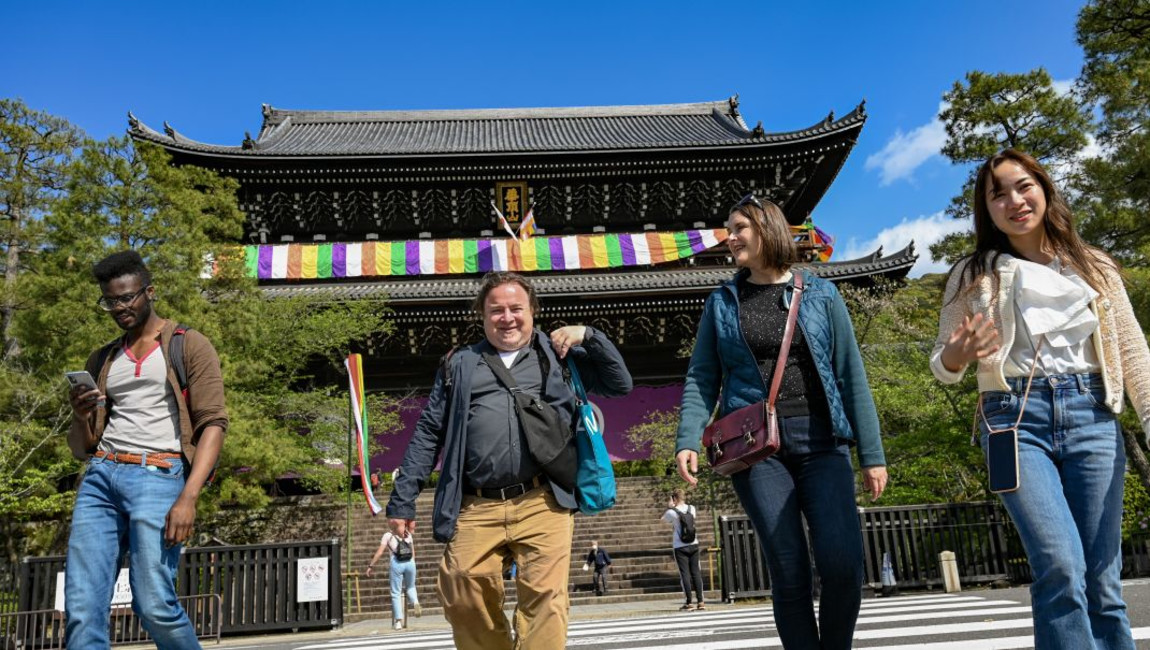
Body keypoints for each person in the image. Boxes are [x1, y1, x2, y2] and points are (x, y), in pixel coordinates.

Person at [931, 149, 1149, 649]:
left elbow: (1135, 356)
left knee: (1102, 580)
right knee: (1059, 564)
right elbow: (942, 366)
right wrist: (958, 355)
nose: (1014, 200)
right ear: (986, 210)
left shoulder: (1094, 268)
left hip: (1093, 412)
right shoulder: (972, 274)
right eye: (998, 193)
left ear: (1045, 190)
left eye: (1023, 186)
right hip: (1012, 422)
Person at [675, 194, 888, 649]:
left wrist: (872, 454)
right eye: (728, 230)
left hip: (822, 439)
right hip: (756, 447)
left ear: (767, 228)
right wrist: (688, 436)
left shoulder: (821, 294)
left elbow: (851, 373)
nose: (729, 238)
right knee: (788, 566)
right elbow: (702, 375)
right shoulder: (722, 302)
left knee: (842, 563)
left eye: (738, 228)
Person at [386, 271, 632, 650]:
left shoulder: (556, 354)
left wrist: (590, 335)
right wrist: (403, 498)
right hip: (476, 503)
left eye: (516, 308)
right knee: (462, 589)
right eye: (496, 310)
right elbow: (429, 431)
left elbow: (620, 383)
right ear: (481, 316)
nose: (507, 318)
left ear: (532, 311)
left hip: (543, 501)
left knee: (546, 601)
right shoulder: (460, 363)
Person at [65, 250, 228, 649]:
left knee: (153, 603)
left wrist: (189, 496)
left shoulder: (187, 345)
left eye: (127, 297)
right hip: (101, 477)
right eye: (110, 300)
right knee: (83, 608)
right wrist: (80, 415)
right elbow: (80, 448)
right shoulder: (104, 358)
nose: (119, 307)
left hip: (159, 475)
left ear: (149, 292)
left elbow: (214, 425)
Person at [366, 529, 421, 630]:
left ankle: (398, 622)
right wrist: (412, 563)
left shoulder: (388, 535)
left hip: (396, 563)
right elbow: (413, 552)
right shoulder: (407, 533)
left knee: (396, 592)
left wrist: (371, 565)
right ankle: (415, 602)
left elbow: (379, 552)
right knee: (411, 587)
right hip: (410, 563)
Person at [662, 490, 703, 611]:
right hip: (694, 543)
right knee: (696, 573)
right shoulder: (692, 508)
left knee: (684, 574)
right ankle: (701, 602)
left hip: (680, 546)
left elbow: (662, 519)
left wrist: (669, 506)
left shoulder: (671, 512)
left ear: (674, 498)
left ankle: (689, 602)